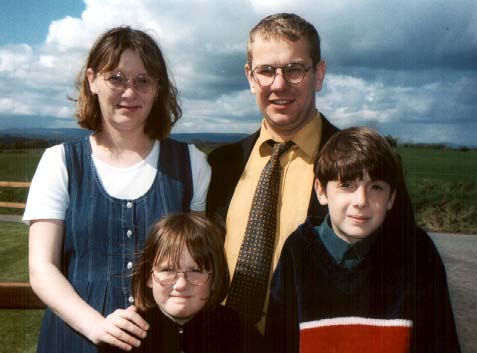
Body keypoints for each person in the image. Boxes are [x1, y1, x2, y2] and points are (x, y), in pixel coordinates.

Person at [24, 27, 211, 353]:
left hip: (163, 342)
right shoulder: (59, 163)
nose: (130, 92)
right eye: (117, 78)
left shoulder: (191, 164)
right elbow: (42, 268)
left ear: (157, 89)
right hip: (73, 339)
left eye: (144, 80)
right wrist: (96, 325)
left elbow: (200, 264)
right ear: (93, 80)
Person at [265, 127, 461, 353]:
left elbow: (441, 342)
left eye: (376, 187)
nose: (361, 200)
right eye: (347, 185)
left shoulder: (417, 252)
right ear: (321, 190)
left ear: (391, 198)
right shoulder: (298, 251)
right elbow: (277, 341)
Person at [206, 13, 338, 328]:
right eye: (266, 71)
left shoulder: (359, 164)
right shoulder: (221, 165)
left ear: (318, 74)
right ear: (251, 77)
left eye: (295, 69)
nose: (279, 84)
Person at [103, 213, 264, 352]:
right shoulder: (125, 337)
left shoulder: (242, 336)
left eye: (195, 271)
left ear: (215, 279)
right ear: (148, 277)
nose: (181, 285)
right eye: (167, 270)